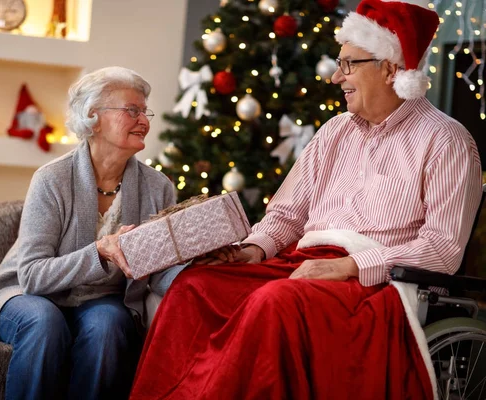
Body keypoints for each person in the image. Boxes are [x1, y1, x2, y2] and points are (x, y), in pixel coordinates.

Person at [130, 1, 482, 399]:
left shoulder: (446, 140)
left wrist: (351, 265)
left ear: (390, 68)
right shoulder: (334, 132)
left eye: (349, 64)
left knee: (275, 302)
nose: (336, 77)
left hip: (376, 281)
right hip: (303, 262)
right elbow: (286, 215)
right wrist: (254, 250)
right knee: (195, 287)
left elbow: (443, 248)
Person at [0, 66, 183, 400]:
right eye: (132, 110)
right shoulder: (52, 179)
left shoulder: (158, 187)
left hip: (99, 299)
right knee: (45, 323)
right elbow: (31, 276)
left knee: (109, 326)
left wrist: (198, 259)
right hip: (28, 294)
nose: (144, 120)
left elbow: (157, 271)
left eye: (145, 111)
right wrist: (100, 252)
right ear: (93, 118)